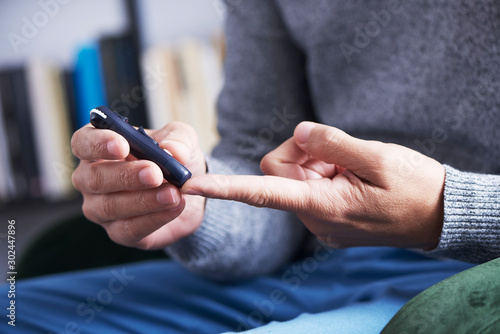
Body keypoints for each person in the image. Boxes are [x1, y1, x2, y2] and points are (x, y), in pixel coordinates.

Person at [2, 1, 499, 333]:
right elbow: (260, 152)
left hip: (479, 278)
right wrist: (196, 208)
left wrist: (444, 209)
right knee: (12, 312)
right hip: (320, 268)